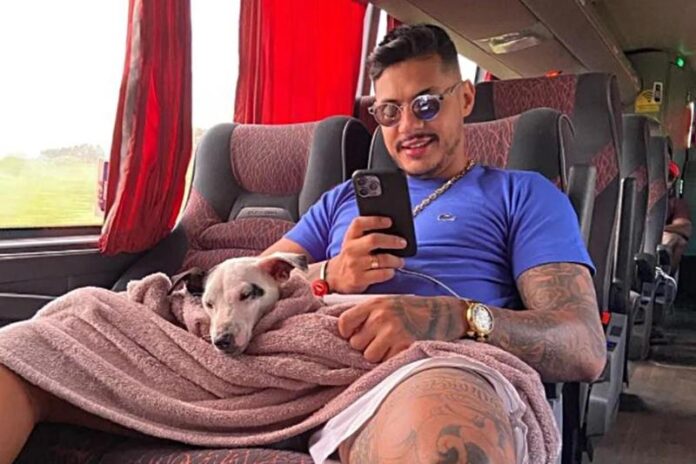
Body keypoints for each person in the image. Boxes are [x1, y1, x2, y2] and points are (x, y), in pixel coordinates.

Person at [0, 24, 605, 464]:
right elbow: (266, 276)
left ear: (465, 99)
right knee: (40, 341)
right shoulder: (343, 198)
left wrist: (457, 317)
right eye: (388, 112)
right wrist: (329, 275)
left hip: (412, 363)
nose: (408, 126)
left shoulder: (523, 195)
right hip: (280, 356)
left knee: (449, 438)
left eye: (426, 104)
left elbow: (582, 346)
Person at [662, 160, 691, 273]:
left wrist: (657, 230)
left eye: (669, 177)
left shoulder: (676, 203)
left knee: (673, 239)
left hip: (659, 241)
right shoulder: (632, 195)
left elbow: (685, 227)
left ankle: (662, 274)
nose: (664, 180)